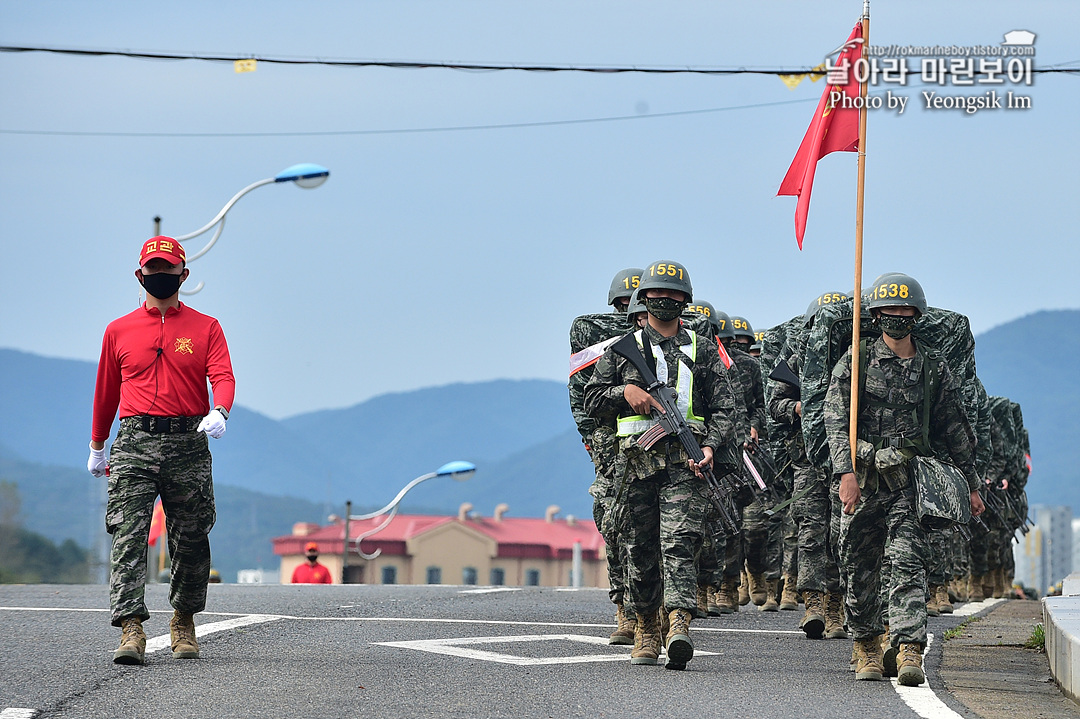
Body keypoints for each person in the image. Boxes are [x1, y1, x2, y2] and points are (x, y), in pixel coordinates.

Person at [825, 272, 984, 686]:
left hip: (910, 483)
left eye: (905, 310)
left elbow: (955, 429)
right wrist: (846, 473)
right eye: (890, 311)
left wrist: (971, 484)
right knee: (858, 565)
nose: (897, 316)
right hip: (862, 480)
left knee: (907, 561)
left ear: (917, 315)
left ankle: (909, 645)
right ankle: (866, 646)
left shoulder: (933, 368)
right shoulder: (855, 361)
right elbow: (836, 421)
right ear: (876, 316)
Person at [88, 236, 234, 666]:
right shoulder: (119, 330)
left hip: (188, 440)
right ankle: (131, 628)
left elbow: (222, 375)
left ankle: (184, 620)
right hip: (134, 441)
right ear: (140, 276)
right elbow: (105, 392)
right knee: (128, 533)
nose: (160, 277)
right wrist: (98, 445)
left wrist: (220, 410)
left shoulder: (206, 327)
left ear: (183, 276)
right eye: (152, 271)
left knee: (191, 535)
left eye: (169, 271)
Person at [585, 260, 738, 670]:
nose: (665, 301)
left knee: (680, 542)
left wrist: (709, 446)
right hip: (636, 464)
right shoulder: (621, 350)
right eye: (657, 295)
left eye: (673, 296)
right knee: (640, 546)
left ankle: (679, 624)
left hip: (685, 464)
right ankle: (646, 628)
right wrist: (626, 391)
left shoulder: (702, 349)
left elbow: (726, 406)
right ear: (644, 300)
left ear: (684, 301)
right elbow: (591, 400)